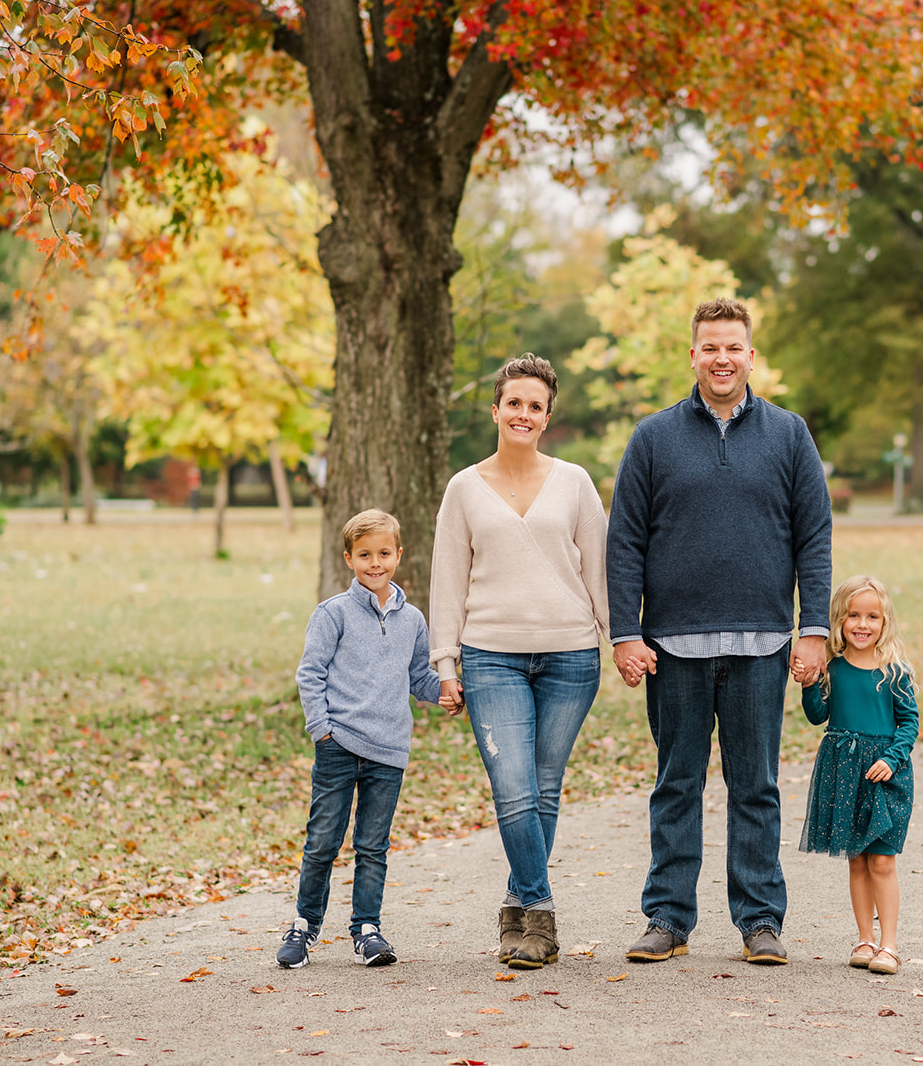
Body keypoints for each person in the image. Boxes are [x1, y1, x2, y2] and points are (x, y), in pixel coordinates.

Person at [608, 297, 832, 966]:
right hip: (673, 646)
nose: (722, 358)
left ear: (751, 355)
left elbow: (814, 538)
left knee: (755, 785)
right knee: (677, 782)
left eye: (734, 346)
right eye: (710, 346)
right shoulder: (653, 438)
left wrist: (813, 628)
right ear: (694, 354)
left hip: (763, 643)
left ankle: (760, 919)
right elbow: (624, 541)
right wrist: (626, 630)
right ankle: (668, 918)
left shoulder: (789, 434)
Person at [429, 355, 609, 970]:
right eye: (514, 403)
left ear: (548, 415)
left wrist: (622, 640)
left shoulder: (576, 482)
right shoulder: (463, 488)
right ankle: (541, 908)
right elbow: (447, 580)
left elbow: (600, 571)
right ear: (497, 410)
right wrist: (444, 662)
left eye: (535, 406)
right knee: (513, 791)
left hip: (570, 655)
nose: (523, 414)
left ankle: (516, 908)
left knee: (543, 788)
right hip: (489, 656)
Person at [277, 509, 443, 970]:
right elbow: (310, 674)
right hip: (339, 745)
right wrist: (322, 730)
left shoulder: (412, 619)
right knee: (323, 842)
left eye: (384, 553)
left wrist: (449, 691)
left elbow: (418, 678)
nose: (376, 563)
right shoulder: (333, 613)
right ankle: (304, 926)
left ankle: (366, 929)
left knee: (373, 845)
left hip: (388, 751)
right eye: (365, 554)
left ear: (399, 556)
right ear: (349, 557)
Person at [795, 575, 919, 975]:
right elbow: (818, 716)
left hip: (884, 772)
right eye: (853, 615)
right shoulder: (833, 667)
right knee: (857, 860)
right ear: (839, 619)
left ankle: (890, 945)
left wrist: (894, 757)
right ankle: (865, 938)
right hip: (844, 769)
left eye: (872, 617)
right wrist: (809, 683)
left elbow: (909, 723)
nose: (862, 624)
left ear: (884, 623)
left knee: (882, 860)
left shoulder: (894, 671)